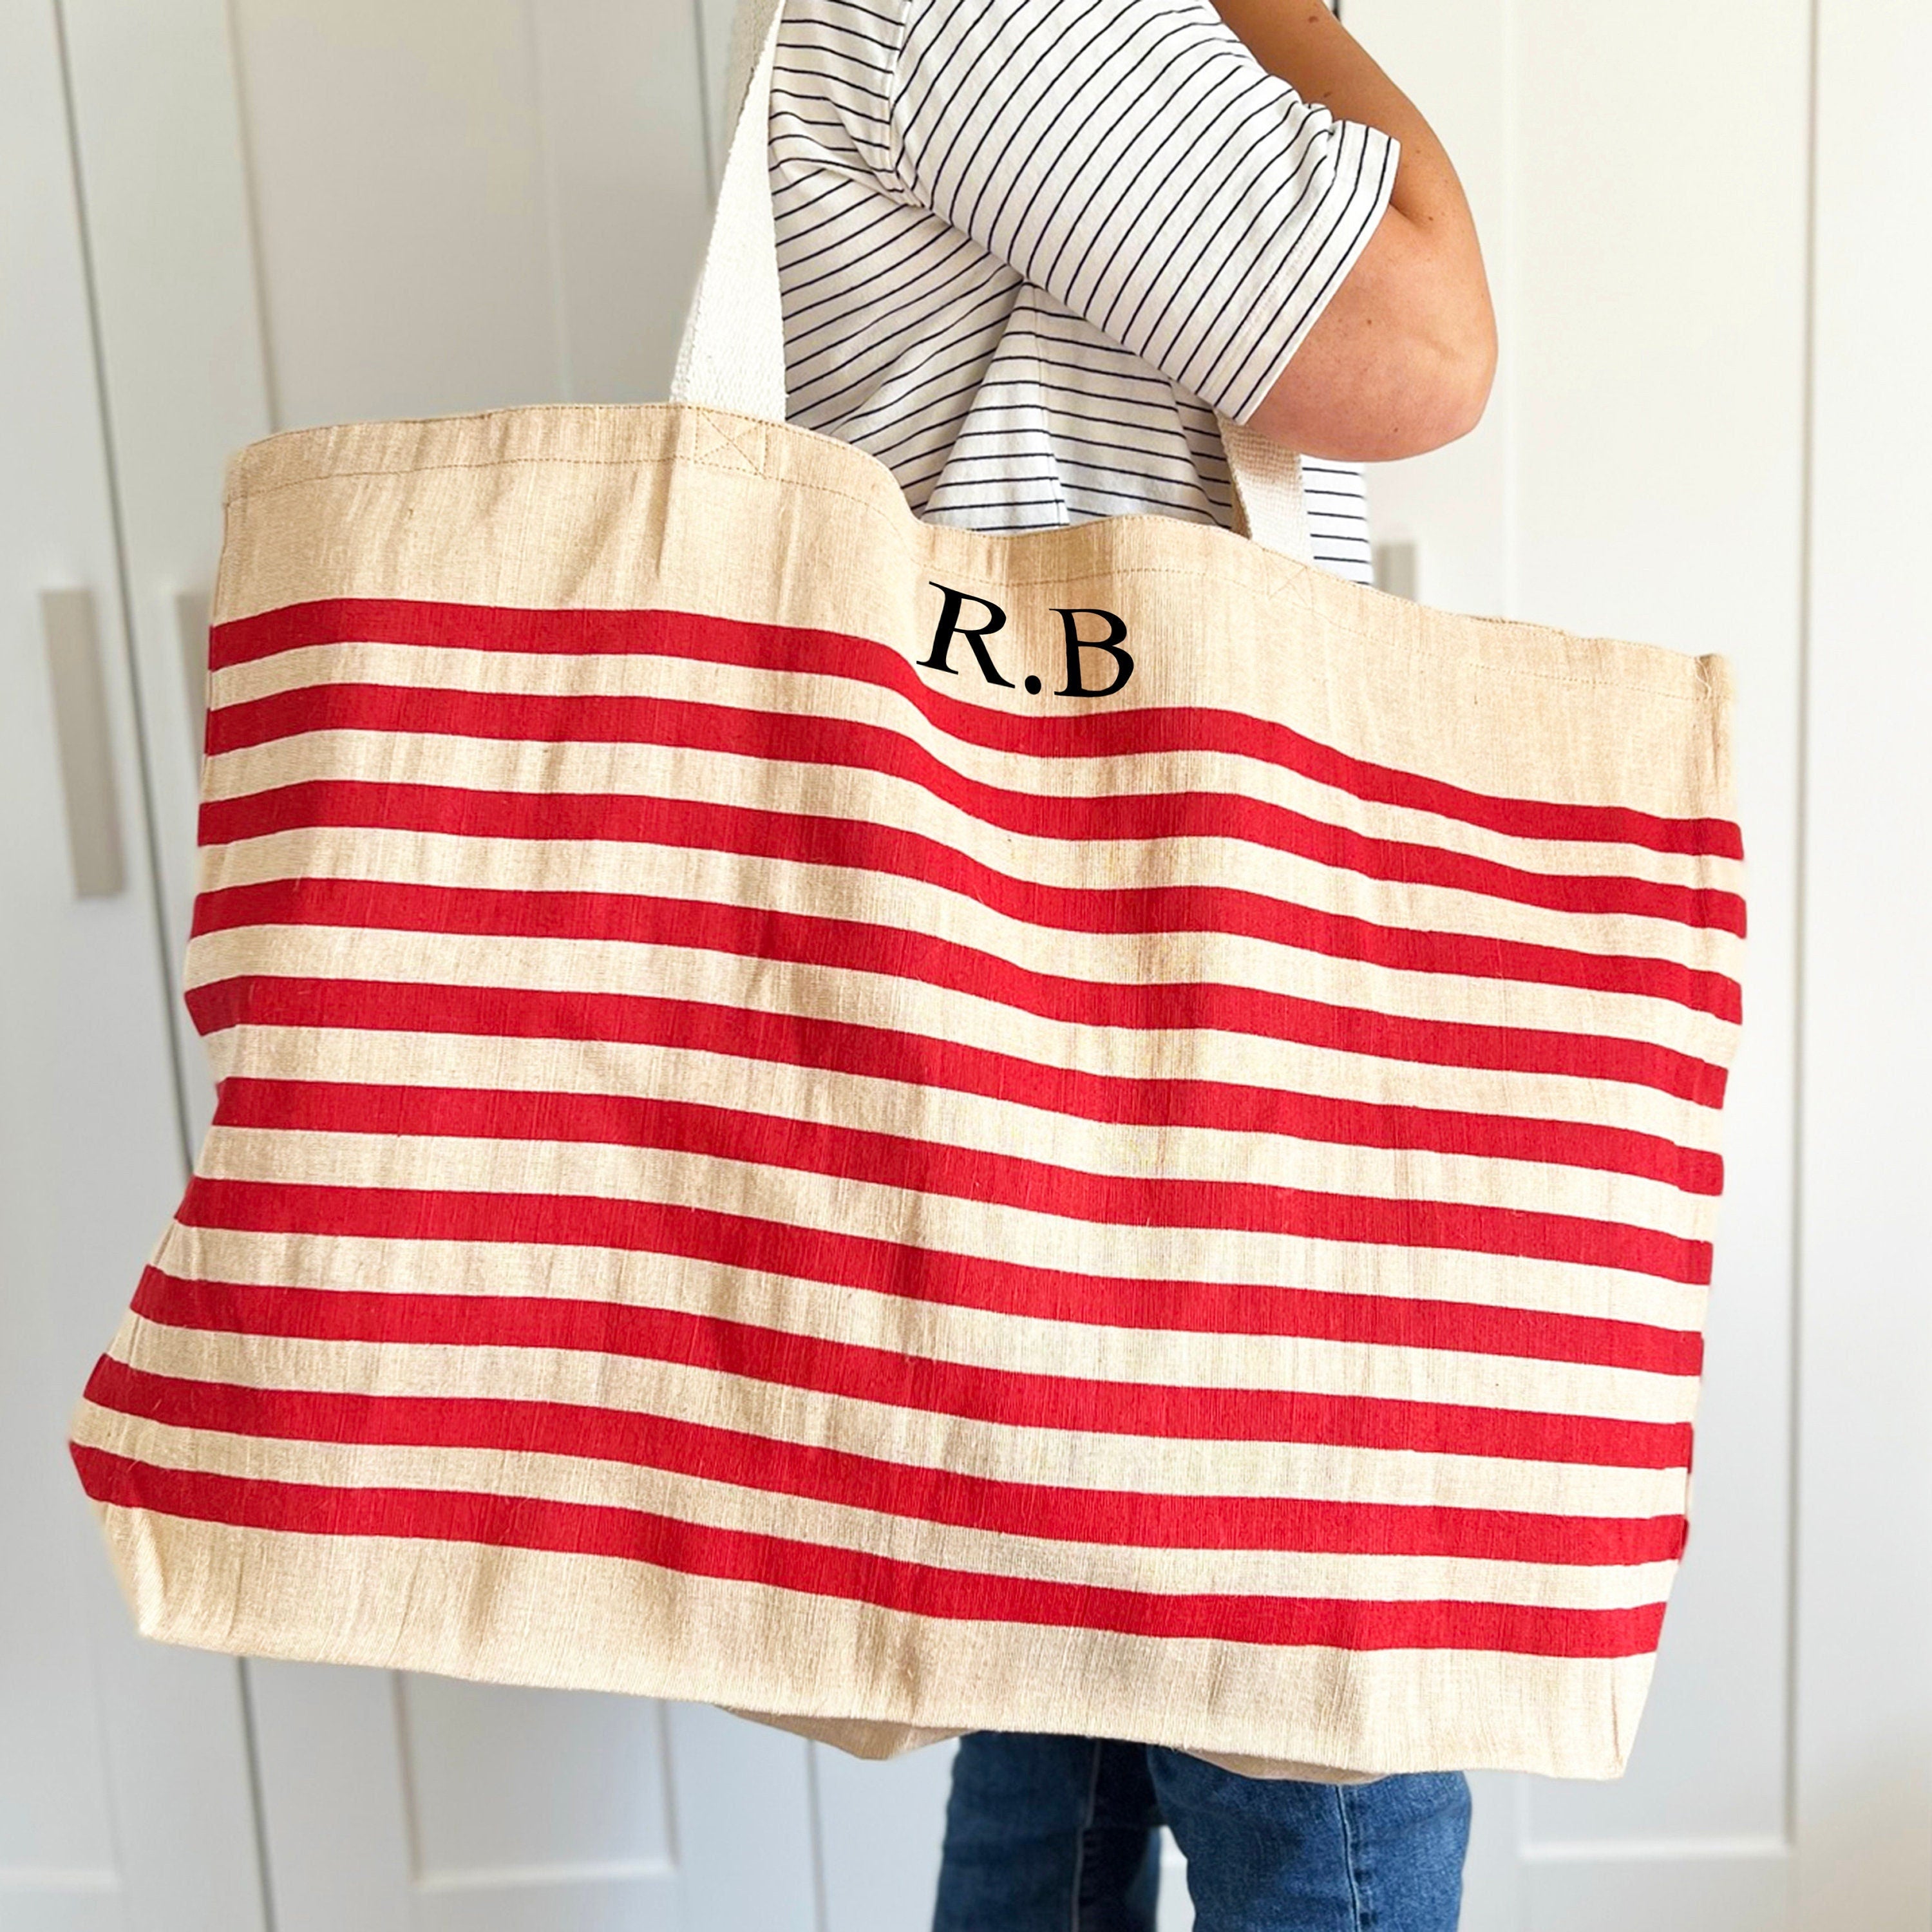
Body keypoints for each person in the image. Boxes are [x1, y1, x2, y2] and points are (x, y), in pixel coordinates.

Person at [764, 0, 1496, 1923]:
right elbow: (1422, 347)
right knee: (1326, 1716)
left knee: (1061, 1676)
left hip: (1048, 998)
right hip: (1151, 1000)